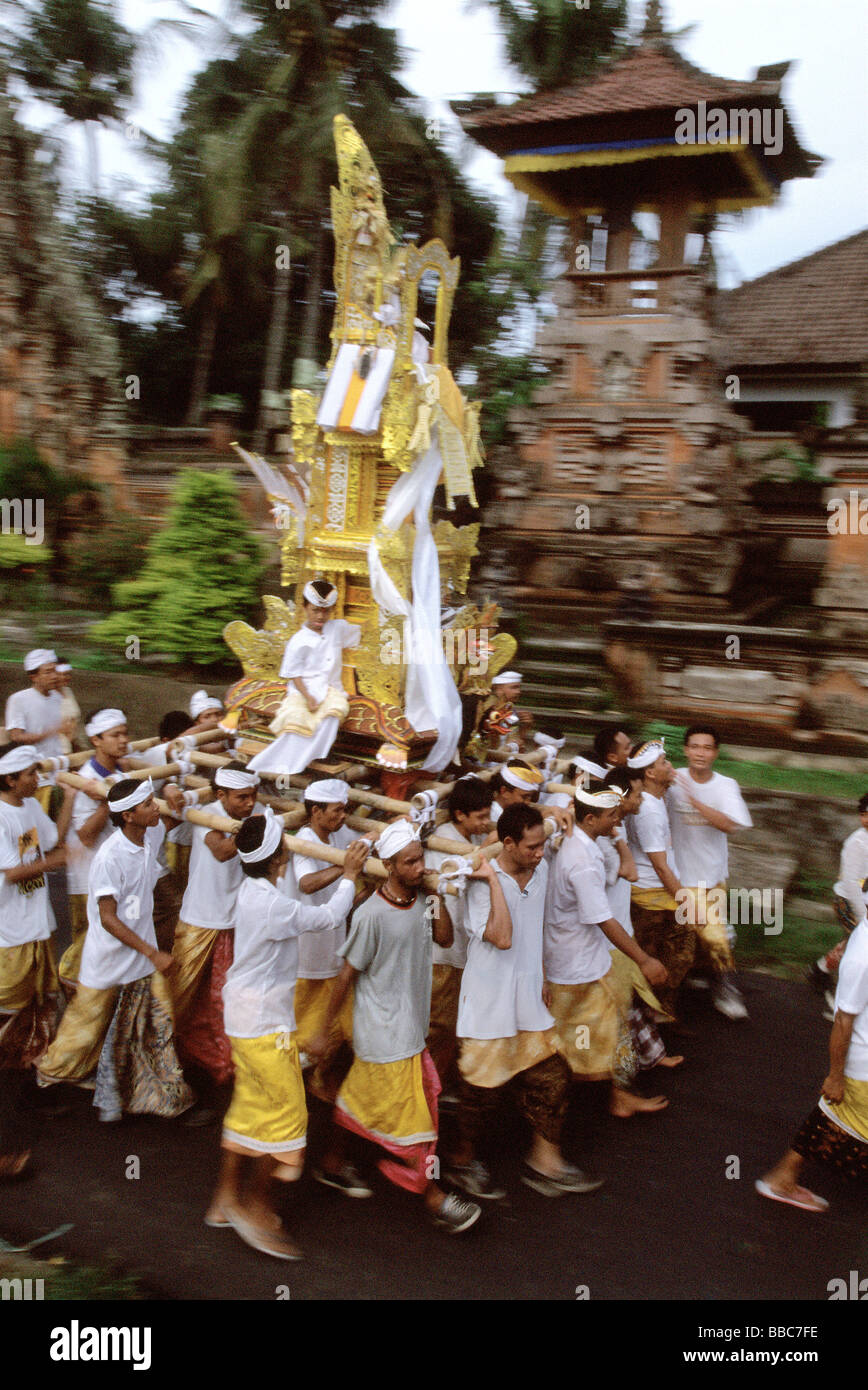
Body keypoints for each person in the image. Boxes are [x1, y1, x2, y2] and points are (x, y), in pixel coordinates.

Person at [207, 810, 370, 1260]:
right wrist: (351, 874)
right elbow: (328, 917)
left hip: (247, 1017)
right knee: (287, 1117)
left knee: (251, 1104)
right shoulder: (270, 903)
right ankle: (256, 1207)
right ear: (281, 855)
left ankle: (224, 1199)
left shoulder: (256, 888)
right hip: (264, 1025)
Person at [311, 820, 482, 1234]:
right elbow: (346, 975)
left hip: (407, 1028)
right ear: (388, 866)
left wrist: (436, 893)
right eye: (409, 862)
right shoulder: (370, 915)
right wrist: (322, 1030)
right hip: (384, 1034)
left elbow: (443, 939)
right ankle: (433, 1197)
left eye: (421, 859)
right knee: (415, 1120)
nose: (419, 867)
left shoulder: (423, 900)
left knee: (360, 1100)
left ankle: (333, 1164)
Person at [449, 803, 601, 1200]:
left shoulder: (542, 868)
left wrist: (544, 976)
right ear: (509, 843)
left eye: (543, 845)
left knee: (552, 1077)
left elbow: (537, 927)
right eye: (532, 847)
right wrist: (495, 882)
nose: (540, 853)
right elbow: (502, 937)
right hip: (488, 1002)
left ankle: (545, 1160)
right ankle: (462, 1161)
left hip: (528, 996)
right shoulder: (479, 884)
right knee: (480, 1094)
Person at [36, 778, 193, 1125]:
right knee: (81, 1033)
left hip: (141, 960)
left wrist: (174, 793)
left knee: (159, 1023)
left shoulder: (148, 835)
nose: (156, 808)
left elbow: (175, 816)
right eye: (149, 804)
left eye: (154, 801)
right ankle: (41, 1089)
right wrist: (153, 953)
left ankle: (169, 1098)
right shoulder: (109, 857)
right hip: (109, 961)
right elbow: (108, 919)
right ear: (129, 816)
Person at [543, 786, 670, 1119]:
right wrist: (644, 959)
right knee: (570, 1043)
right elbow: (601, 918)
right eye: (612, 815)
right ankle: (559, 1110)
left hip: (586, 962)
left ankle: (610, 1096)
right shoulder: (581, 859)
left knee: (605, 1030)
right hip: (575, 968)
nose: (618, 819)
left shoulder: (582, 843)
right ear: (589, 818)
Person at [756, 913, 868, 1210]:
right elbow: (843, 1020)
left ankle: (783, 1176)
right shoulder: (861, 958)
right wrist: (835, 1075)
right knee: (842, 1122)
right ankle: (782, 1178)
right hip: (863, 1062)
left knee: (838, 1119)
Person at [171, 763, 261, 1108]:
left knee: (224, 1006)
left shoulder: (252, 812)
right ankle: (179, 1073)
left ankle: (222, 1075)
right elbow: (222, 851)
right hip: (199, 922)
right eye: (242, 797)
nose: (250, 803)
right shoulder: (205, 815)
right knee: (182, 1001)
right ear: (220, 796)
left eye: (253, 796)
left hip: (236, 926)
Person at [0, 745, 67, 1181]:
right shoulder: (0, 817)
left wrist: (76, 798)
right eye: (31, 772)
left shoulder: (28, 808)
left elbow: (53, 837)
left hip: (36, 931)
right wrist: (58, 861)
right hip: (10, 938)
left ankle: (19, 1091)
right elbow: (11, 872)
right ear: (9, 779)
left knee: (30, 1019)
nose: (37, 777)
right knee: (6, 1022)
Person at [666, 724, 753, 1021]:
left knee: (712, 933)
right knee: (709, 933)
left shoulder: (725, 785)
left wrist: (695, 802)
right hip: (678, 877)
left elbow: (730, 824)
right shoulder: (671, 778)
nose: (700, 753)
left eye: (706, 748)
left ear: (715, 752)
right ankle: (717, 983)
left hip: (712, 875)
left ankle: (717, 983)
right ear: (686, 749)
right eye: (695, 747)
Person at [291, 778, 367, 1100]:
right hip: (307, 959)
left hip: (334, 952)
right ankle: (288, 1085)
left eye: (345, 810)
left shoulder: (337, 834)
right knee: (300, 1034)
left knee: (340, 1029)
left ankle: (318, 1079)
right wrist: (346, 866)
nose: (343, 816)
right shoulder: (302, 840)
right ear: (316, 811)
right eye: (337, 810)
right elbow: (307, 884)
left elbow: (345, 893)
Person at [423, 775, 494, 1094]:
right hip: (442, 956)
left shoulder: (474, 841)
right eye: (480, 816)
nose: (485, 821)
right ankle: (428, 1091)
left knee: (451, 1029)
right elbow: (432, 899)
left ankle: (438, 1086)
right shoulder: (440, 842)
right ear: (460, 815)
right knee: (438, 1028)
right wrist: (435, 930)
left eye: (487, 814)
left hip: (462, 954)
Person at [247, 579, 361, 775]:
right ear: (305, 608)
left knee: (333, 713)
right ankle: (287, 762)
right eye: (315, 610)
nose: (320, 616)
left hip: (332, 689)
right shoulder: (298, 641)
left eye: (325, 611)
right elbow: (294, 674)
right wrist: (308, 697)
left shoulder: (337, 628)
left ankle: (320, 753)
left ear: (331, 610)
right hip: (303, 689)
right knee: (298, 718)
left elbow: (362, 633)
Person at [56, 708, 130, 991]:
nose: (122, 740)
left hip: (111, 873)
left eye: (125, 734)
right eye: (115, 735)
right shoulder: (87, 778)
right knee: (88, 939)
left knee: (107, 939)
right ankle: (73, 988)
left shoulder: (120, 770)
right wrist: (105, 802)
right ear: (96, 740)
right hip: (87, 874)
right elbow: (86, 835)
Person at [624, 739, 695, 1025]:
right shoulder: (650, 810)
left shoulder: (656, 799)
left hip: (655, 892)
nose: (671, 766)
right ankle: (650, 1024)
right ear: (650, 773)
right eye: (664, 762)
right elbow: (660, 865)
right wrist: (687, 902)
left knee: (668, 958)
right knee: (668, 958)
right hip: (652, 896)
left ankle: (658, 1019)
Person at [810, 792, 868, 1018]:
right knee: (859, 950)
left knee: (853, 944)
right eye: (864, 815)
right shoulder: (856, 844)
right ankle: (838, 1004)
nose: (867, 820)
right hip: (849, 903)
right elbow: (852, 884)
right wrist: (864, 917)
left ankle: (820, 969)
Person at [4, 650, 73, 814]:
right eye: (48, 672)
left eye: (55, 670)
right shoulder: (18, 699)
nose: (55, 676)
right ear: (33, 676)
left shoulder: (57, 698)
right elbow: (16, 736)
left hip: (57, 768)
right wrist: (52, 731)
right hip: (34, 774)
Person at [479, 671, 523, 757]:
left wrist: (526, 727)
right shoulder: (487, 709)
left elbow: (514, 738)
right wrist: (511, 747)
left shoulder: (509, 709)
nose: (518, 692)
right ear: (499, 689)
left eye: (519, 688)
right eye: (514, 688)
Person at [53, 662, 81, 755]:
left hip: (72, 743)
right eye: (60, 674)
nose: (64, 677)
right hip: (55, 746)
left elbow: (75, 716)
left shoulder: (68, 691)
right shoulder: (47, 696)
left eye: (67, 674)